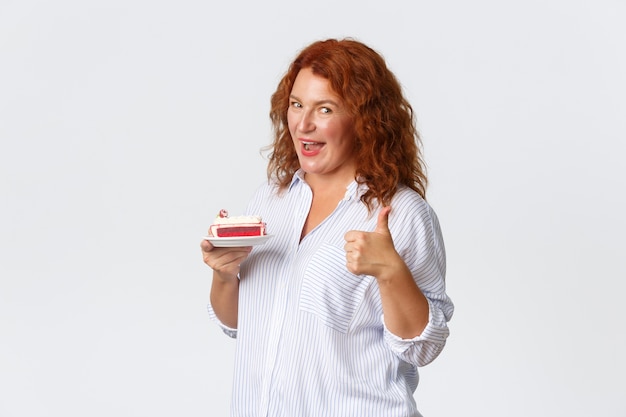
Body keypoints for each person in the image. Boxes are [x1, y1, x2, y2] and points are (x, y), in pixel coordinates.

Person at [201, 38, 454, 417]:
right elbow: (241, 326)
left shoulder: (400, 214)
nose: (303, 124)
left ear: (364, 119)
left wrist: (391, 272)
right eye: (297, 104)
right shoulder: (272, 199)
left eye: (325, 109)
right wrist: (224, 274)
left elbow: (423, 348)